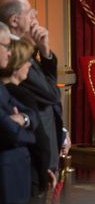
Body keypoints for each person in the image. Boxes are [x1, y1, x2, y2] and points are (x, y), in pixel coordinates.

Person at [0, 0, 70, 181]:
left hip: (44, 144)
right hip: (33, 155)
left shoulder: (23, 47)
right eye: (30, 11)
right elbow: (50, 95)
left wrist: (61, 131)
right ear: (14, 21)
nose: (34, 16)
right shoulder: (14, 55)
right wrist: (43, 50)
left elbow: (46, 100)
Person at [0, 38, 55, 201]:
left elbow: (30, 119)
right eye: (27, 60)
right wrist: (29, 134)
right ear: (16, 63)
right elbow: (28, 136)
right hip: (22, 172)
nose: (30, 65)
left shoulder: (11, 91)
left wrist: (23, 119)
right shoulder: (17, 92)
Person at [0, 21, 37, 204]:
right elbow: (9, 130)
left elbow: (31, 114)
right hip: (6, 178)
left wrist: (22, 117)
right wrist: (30, 135)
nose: (9, 52)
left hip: (16, 174)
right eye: (6, 46)